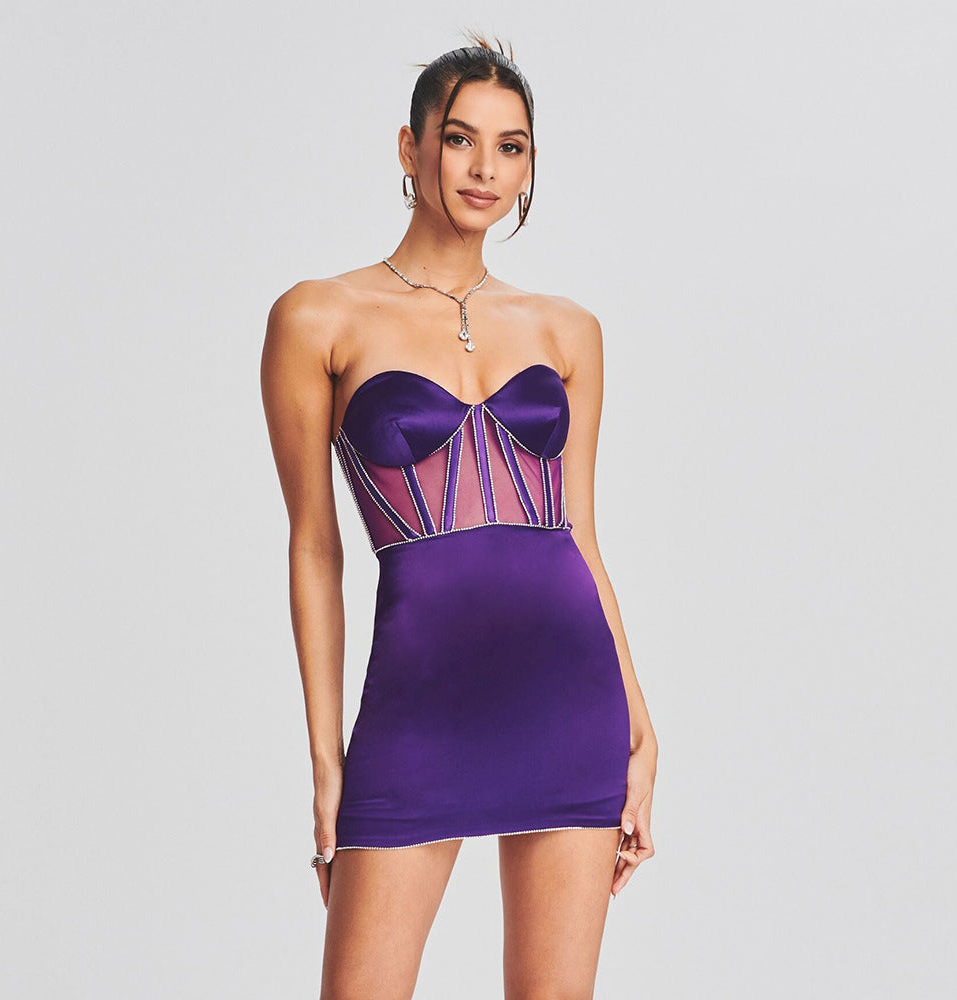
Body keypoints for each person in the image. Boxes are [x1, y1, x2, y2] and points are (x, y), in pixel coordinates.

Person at [260, 31, 658, 1000]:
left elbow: (579, 534)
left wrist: (640, 725)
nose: (485, 168)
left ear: (528, 165)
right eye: (459, 139)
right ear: (410, 148)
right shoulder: (318, 317)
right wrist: (327, 762)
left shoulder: (567, 329)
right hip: (419, 703)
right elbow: (314, 547)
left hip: (571, 698)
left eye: (510, 146)